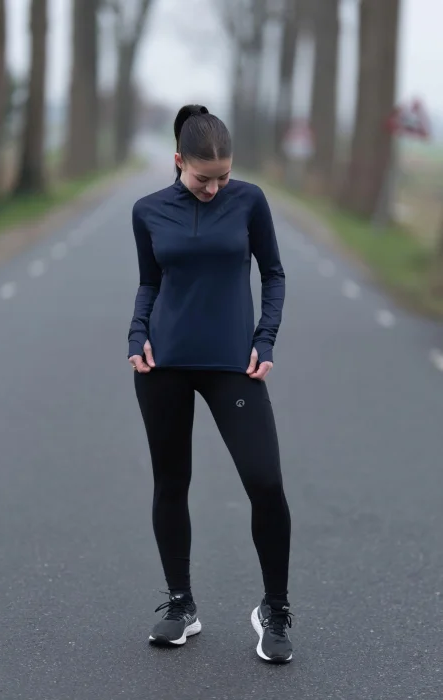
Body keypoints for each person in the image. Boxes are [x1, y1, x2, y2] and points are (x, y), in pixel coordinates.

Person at [128, 104, 293, 664]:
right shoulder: (148, 211)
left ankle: (275, 609)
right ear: (179, 161)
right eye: (204, 178)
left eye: (223, 176)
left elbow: (273, 273)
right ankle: (181, 605)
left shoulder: (249, 202)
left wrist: (265, 338)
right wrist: (137, 336)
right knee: (171, 483)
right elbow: (149, 282)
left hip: (232, 367)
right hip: (164, 367)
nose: (214, 188)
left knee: (265, 482)